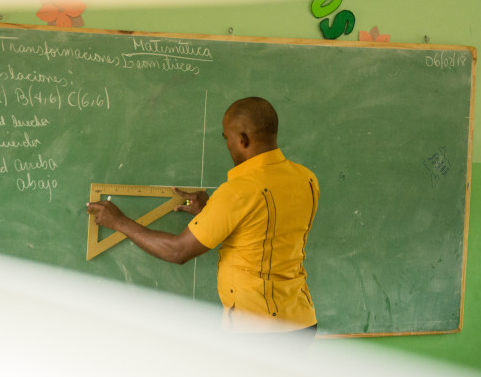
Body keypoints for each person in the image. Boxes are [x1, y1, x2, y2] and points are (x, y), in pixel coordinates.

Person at [86, 97, 319, 334]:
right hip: (301, 321)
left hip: (259, 330)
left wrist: (119, 222)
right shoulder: (306, 178)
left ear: (242, 139)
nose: (227, 145)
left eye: (226, 137)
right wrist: (212, 210)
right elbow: (263, 226)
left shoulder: (239, 191)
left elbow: (177, 251)